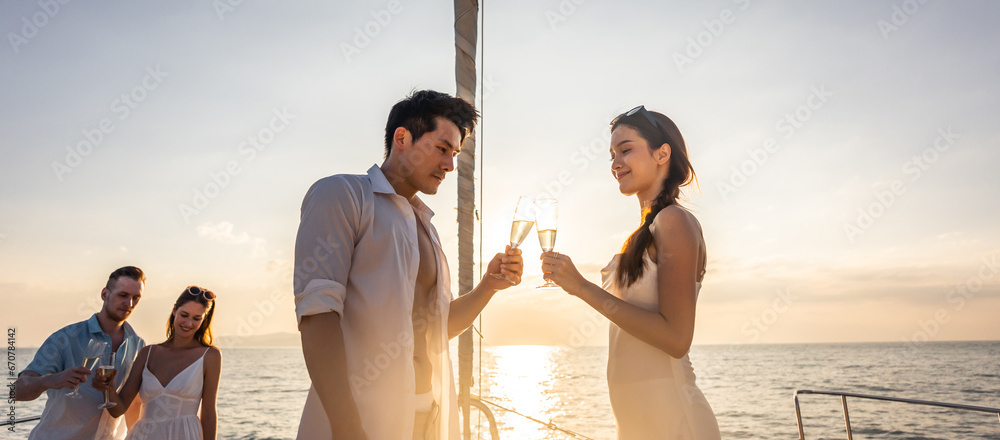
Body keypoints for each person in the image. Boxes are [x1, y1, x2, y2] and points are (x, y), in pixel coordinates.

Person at [294, 89, 523, 440]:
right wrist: (346, 425)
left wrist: (487, 287)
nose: (449, 165)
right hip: (363, 421)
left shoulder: (426, 228)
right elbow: (317, 314)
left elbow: (436, 328)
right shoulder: (342, 195)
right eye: (442, 148)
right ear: (402, 138)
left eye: (455, 154)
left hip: (430, 417)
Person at [540, 106, 721, 439]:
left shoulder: (675, 222)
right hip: (636, 425)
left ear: (662, 153)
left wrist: (581, 287)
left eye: (625, 150)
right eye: (611, 155)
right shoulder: (643, 232)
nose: (615, 163)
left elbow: (676, 339)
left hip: (673, 421)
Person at [15, 266, 147, 440]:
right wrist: (50, 380)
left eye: (135, 298)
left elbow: (132, 405)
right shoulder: (65, 338)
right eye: (123, 295)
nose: (129, 303)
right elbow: (16, 391)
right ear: (104, 294)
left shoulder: (138, 345)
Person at [92, 286, 222, 440]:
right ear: (175, 310)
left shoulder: (210, 356)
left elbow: (208, 415)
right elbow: (118, 410)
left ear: (204, 319)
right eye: (184, 315)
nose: (188, 323)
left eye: (196, 318)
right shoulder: (147, 354)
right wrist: (108, 388)